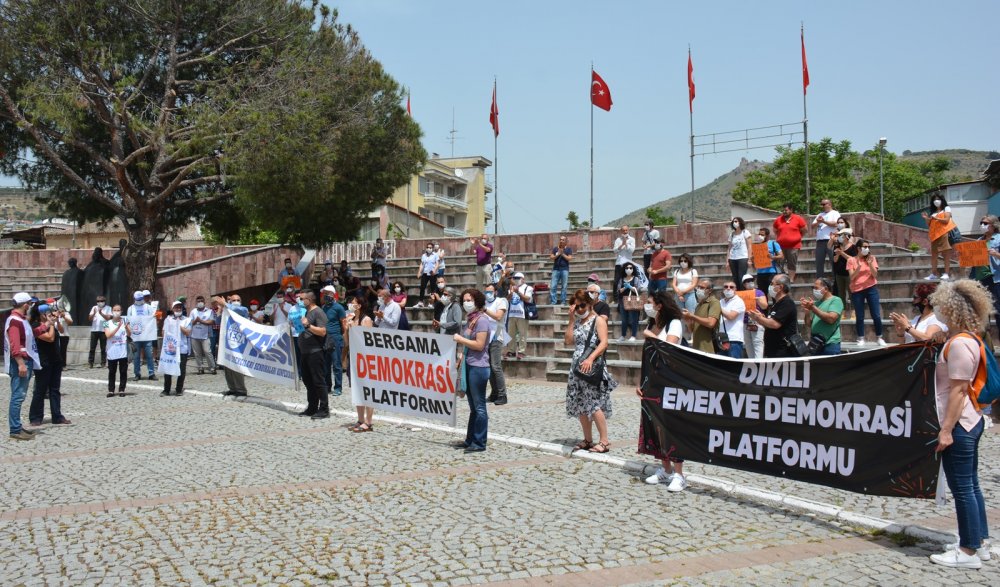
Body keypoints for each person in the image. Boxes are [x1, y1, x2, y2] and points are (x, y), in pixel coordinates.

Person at [926, 279, 992, 569]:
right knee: (971, 485)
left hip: (960, 423)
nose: (938, 310)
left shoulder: (961, 343)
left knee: (963, 487)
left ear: (952, 309)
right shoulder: (965, 339)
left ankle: (967, 551)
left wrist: (946, 430)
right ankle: (979, 541)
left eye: (941, 305)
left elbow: (959, 390)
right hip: (968, 420)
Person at [639, 290, 688, 491]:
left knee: (672, 426)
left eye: (650, 302)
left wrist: (651, 336)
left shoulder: (673, 323)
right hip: (653, 381)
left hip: (671, 381)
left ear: (659, 305)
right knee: (655, 425)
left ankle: (679, 474)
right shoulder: (651, 324)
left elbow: (669, 348)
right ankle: (666, 469)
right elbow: (647, 357)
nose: (647, 305)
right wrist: (642, 383)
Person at [565, 289, 617, 454]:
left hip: (592, 366)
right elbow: (568, 341)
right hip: (577, 367)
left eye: (582, 305)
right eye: (576, 306)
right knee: (580, 403)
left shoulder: (598, 320)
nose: (579, 309)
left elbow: (604, 343)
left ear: (589, 304)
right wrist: (571, 320)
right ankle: (588, 439)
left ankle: (604, 441)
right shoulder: (577, 322)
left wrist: (590, 358)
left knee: (594, 403)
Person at [453, 288, 492, 452]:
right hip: (469, 364)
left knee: (479, 406)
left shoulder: (482, 320)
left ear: (477, 301)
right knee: (473, 407)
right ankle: (470, 439)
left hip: (479, 366)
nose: (466, 303)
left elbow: (479, 345)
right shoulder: (470, 319)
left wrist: (460, 339)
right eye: (464, 300)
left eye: (469, 300)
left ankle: (479, 442)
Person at [5, 293, 42, 440]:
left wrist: (45, 326)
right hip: (21, 361)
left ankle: (17, 427)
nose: (31, 306)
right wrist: (21, 363)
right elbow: (15, 344)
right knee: (18, 396)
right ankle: (15, 429)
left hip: (24, 360)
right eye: (29, 303)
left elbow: (30, 335)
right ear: (25, 304)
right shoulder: (15, 321)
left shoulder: (20, 319)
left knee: (19, 396)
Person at [28, 303, 70, 426]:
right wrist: (51, 324)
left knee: (55, 389)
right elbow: (50, 338)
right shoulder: (35, 326)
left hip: (56, 359)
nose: (48, 314)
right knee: (40, 389)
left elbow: (61, 331)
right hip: (43, 360)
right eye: (45, 312)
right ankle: (35, 417)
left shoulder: (51, 323)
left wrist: (56, 321)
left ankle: (57, 416)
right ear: (40, 314)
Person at [294, 291, 330, 420]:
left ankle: (324, 409)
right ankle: (312, 407)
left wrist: (308, 325)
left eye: (301, 298)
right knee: (308, 381)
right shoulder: (306, 312)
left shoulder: (318, 312)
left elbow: (322, 331)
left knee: (318, 381)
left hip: (315, 352)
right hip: (305, 352)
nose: (299, 300)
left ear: (309, 300)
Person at [344, 295, 375, 431]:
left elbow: (367, 341)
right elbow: (347, 342)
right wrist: (346, 329)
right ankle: (360, 419)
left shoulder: (366, 320)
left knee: (367, 389)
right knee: (357, 389)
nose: (350, 305)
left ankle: (368, 421)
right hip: (353, 357)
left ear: (359, 305)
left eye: (353, 303)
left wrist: (354, 328)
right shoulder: (351, 319)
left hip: (365, 358)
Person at [748, 274, 798, 358]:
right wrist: (761, 318)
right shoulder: (777, 304)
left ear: (780, 287)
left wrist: (758, 318)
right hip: (773, 350)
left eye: (772, 284)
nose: (770, 286)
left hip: (782, 352)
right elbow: (770, 322)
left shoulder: (787, 303)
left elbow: (775, 324)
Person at [847, 239, 886, 347]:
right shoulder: (851, 260)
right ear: (858, 248)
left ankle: (879, 337)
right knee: (860, 316)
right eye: (865, 247)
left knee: (876, 314)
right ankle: (861, 338)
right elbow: (852, 277)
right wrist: (858, 268)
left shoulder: (872, 258)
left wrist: (870, 264)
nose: (867, 249)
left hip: (871, 288)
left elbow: (875, 274)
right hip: (857, 290)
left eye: (868, 247)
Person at [800, 278, 843, 355]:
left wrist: (813, 308)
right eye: (813, 288)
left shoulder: (836, 300)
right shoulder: (817, 303)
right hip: (816, 343)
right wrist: (807, 312)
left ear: (825, 289)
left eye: (816, 288)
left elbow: (831, 319)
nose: (814, 290)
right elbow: (808, 324)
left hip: (830, 344)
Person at [220, 294, 250, 397]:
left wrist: (225, 304)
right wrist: (221, 309)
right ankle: (232, 388)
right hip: (228, 341)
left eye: (238, 300)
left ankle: (241, 390)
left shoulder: (244, 310)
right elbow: (218, 321)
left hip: (239, 342)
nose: (236, 302)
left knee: (237, 366)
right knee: (228, 366)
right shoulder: (227, 310)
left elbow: (237, 310)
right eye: (233, 300)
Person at [483, 283, 508, 405]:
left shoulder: (501, 301)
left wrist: (485, 310)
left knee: (496, 366)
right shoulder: (484, 303)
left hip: (497, 336)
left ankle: (503, 394)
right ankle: (494, 393)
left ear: (495, 292)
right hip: (485, 337)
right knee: (489, 367)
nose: (488, 294)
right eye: (486, 292)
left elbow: (498, 316)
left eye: (490, 292)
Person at [159, 300, 191, 396]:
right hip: (171, 348)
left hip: (182, 348)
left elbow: (188, 332)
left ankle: (179, 389)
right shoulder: (168, 319)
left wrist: (179, 326)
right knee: (168, 369)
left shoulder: (186, 319)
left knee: (182, 370)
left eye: (179, 307)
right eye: (176, 307)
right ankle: (166, 390)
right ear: (173, 309)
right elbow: (163, 332)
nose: (178, 309)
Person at [922, 194, 956, 281]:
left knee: (946, 254)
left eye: (938, 199)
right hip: (934, 235)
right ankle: (933, 273)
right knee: (934, 255)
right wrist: (926, 218)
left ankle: (946, 273)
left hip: (944, 233)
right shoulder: (933, 212)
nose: (936, 201)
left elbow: (946, 220)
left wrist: (937, 218)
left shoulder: (946, 209)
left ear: (942, 200)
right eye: (934, 200)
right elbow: (930, 224)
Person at [321, 285, 347, 397]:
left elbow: (343, 324)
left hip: (335, 338)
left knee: (336, 364)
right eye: (324, 293)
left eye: (327, 293)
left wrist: (341, 337)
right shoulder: (323, 307)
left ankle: (338, 387)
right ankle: (327, 386)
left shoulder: (339, 307)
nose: (325, 295)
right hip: (325, 338)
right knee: (326, 364)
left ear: (332, 294)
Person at [682, 279, 721, 354]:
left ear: (710, 290)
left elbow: (711, 323)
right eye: (698, 287)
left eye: (702, 288)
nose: (699, 289)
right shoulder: (698, 305)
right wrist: (688, 321)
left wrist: (692, 316)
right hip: (697, 348)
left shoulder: (714, 302)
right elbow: (692, 330)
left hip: (709, 349)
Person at [773, 203, 807, 282]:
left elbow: (805, 230)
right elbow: (775, 230)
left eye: (786, 210)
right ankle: (781, 279)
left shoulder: (798, 218)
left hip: (794, 246)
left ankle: (791, 279)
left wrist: (797, 237)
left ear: (791, 210)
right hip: (781, 246)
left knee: (791, 263)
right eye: (783, 210)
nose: (784, 212)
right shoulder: (778, 219)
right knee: (780, 262)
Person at [127, 290, 156, 381]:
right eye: (137, 299)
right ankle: (137, 373)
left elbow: (153, 319)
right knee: (136, 356)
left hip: (147, 336)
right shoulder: (131, 308)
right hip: (136, 336)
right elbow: (128, 322)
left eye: (140, 299)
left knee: (149, 355)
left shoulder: (148, 307)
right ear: (134, 299)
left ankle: (151, 373)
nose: (139, 301)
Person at [103, 303, 130, 398]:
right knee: (112, 371)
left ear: (121, 311)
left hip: (122, 350)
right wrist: (118, 327)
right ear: (112, 311)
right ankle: (111, 390)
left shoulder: (125, 320)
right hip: (112, 350)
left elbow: (130, 334)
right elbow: (108, 335)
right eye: (115, 310)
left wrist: (126, 327)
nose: (116, 312)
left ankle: (122, 389)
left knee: (123, 371)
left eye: (118, 310)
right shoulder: (107, 323)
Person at [978, 215, 1000, 333]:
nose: (982, 225)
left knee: (998, 310)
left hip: (996, 278)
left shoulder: (999, 239)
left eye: (985, 223)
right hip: (981, 279)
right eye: (981, 223)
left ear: (993, 225)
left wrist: (996, 254)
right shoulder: (978, 241)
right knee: (982, 312)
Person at [831, 225, 857, 319]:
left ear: (846, 236)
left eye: (841, 235)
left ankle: (854, 312)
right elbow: (835, 260)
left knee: (852, 293)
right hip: (839, 273)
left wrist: (842, 253)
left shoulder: (853, 247)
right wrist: (837, 255)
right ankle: (843, 312)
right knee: (841, 294)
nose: (839, 237)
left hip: (849, 273)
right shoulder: (837, 246)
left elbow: (853, 259)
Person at [505, 273, 533, 359]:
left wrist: (518, 292)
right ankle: (511, 351)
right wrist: (511, 292)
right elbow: (508, 299)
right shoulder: (511, 287)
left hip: (522, 314)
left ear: (523, 279)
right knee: (511, 333)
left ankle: (521, 351)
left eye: (518, 278)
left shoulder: (528, 288)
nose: (516, 280)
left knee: (522, 334)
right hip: (512, 313)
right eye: (515, 278)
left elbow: (527, 299)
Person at [811, 199, 841, 279]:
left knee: (833, 261)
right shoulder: (820, 214)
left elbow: (836, 224)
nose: (822, 206)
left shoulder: (835, 213)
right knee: (819, 263)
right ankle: (819, 280)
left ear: (829, 204)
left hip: (831, 241)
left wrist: (824, 222)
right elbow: (812, 226)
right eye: (821, 204)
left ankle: (836, 280)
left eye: (824, 204)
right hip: (820, 242)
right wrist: (818, 222)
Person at [672, 253, 698, 341]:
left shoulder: (693, 271)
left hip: (689, 295)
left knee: (690, 315)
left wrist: (683, 292)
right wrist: (679, 293)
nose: (683, 262)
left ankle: (693, 335)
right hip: (678, 295)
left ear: (689, 261)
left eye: (685, 261)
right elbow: (674, 284)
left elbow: (694, 284)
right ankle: (682, 335)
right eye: (681, 261)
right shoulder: (677, 271)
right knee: (680, 315)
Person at [189, 295, 217, 375]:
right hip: (194, 335)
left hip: (205, 335)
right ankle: (200, 368)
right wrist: (195, 321)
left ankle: (212, 368)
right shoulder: (193, 312)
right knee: (197, 353)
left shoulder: (209, 311)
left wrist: (201, 321)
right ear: (196, 302)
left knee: (207, 351)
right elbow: (189, 323)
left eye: (201, 301)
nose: (200, 303)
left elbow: (212, 321)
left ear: (204, 302)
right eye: (198, 301)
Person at [741, 274, 767, 359]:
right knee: (748, 344)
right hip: (745, 322)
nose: (750, 282)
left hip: (757, 321)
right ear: (744, 284)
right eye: (747, 281)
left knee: (757, 343)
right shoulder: (741, 294)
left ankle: (759, 363)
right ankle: (752, 363)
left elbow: (764, 306)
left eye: (751, 280)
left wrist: (758, 300)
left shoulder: (759, 292)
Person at [718, 280, 746, 358]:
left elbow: (731, 316)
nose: (728, 288)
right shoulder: (720, 302)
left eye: (731, 287)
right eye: (726, 287)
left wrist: (717, 307)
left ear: (735, 289)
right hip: (722, 338)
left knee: (734, 363)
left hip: (734, 339)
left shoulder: (738, 301)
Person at [616, 261, 641, 341]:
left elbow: (637, 289)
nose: (628, 269)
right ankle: (623, 335)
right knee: (624, 319)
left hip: (633, 300)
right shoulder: (621, 279)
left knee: (634, 318)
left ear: (633, 269)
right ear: (624, 269)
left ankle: (633, 335)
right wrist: (625, 287)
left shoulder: (636, 279)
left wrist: (630, 287)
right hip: (622, 301)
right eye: (627, 268)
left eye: (630, 268)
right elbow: (618, 290)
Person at [754, 227, 784, 293]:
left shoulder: (773, 244)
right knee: (762, 293)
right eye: (759, 234)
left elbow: (781, 256)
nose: (760, 236)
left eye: (762, 235)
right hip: (760, 273)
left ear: (767, 236)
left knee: (773, 292)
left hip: (771, 272)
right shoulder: (757, 245)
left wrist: (773, 257)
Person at [612, 226, 636, 303]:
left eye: (626, 230)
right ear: (621, 231)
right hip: (619, 263)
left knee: (629, 281)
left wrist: (626, 244)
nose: (625, 232)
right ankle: (616, 299)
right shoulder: (618, 240)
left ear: (628, 230)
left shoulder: (632, 239)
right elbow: (615, 250)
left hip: (628, 264)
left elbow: (632, 251)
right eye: (623, 230)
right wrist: (622, 244)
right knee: (616, 281)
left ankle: (629, 297)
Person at [727, 217, 753, 286]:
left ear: (740, 222)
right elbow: (729, 248)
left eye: (736, 221)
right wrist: (727, 260)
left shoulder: (745, 232)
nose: (734, 223)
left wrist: (749, 259)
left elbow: (749, 246)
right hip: (732, 258)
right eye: (733, 222)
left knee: (741, 276)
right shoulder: (732, 234)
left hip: (743, 257)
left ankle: (742, 291)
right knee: (735, 277)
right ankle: (737, 291)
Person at [87, 295, 112, 368]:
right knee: (92, 347)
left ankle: (103, 362)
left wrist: (101, 313)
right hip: (94, 330)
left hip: (104, 330)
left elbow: (108, 318)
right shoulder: (94, 308)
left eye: (101, 301)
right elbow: (89, 318)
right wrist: (94, 313)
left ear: (104, 301)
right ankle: (90, 362)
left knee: (103, 348)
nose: (100, 302)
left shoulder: (108, 308)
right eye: (98, 301)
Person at [549, 235, 573, 305]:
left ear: (566, 241)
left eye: (563, 240)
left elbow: (569, 258)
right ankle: (553, 302)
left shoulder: (568, 249)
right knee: (553, 286)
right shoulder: (555, 249)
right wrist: (558, 254)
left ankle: (563, 301)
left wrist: (562, 254)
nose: (561, 241)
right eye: (560, 239)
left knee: (564, 286)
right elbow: (551, 257)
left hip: (564, 269)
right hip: (556, 269)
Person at [415, 243, 439, 307]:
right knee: (422, 287)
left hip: (432, 273)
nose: (429, 249)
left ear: (432, 248)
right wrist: (419, 272)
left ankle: (432, 303)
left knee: (433, 288)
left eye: (430, 247)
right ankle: (420, 302)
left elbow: (437, 264)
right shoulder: (424, 255)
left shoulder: (435, 255)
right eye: (427, 247)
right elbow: (422, 264)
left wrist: (434, 270)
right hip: (425, 273)